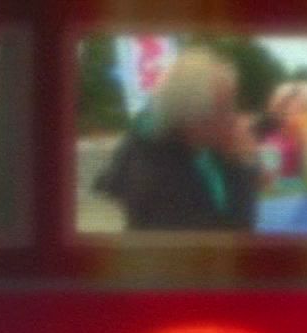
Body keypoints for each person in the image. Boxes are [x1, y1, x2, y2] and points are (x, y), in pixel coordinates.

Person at [93, 47, 260, 231]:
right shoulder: (160, 180)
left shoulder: (193, 144)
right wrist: (241, 166)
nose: (234, 118)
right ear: (192, 117)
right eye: (224, 109)